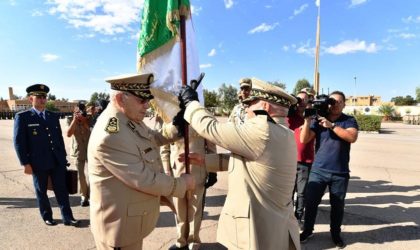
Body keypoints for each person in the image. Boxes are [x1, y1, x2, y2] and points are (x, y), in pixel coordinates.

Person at [178, 78, 300, 250]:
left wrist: (191, 103)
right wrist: (205, 160)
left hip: (257, 230)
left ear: (265, 107)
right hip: (274, 225)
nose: (246, 108)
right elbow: (249, 162)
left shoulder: (263, 129)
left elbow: (211, 129)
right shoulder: (283, 132)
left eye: (250, 103)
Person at [87, 73, 196, 250]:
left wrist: (177, 126)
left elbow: (152, 138)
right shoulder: (111, 135)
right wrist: (182, 184)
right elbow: (144, 178)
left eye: (148, 100)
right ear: (121, 99)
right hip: (119, 230)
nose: (147, 106)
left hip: (131, 221)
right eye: (142, 100)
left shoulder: (128, 119)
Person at [299, 91, 359, 248]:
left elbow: (351, 137)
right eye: (333, 101)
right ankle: (307, 231)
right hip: (319, 170)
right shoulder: (318, 120)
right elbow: (304, 139)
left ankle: (335, 234)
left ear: (344, 104)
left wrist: (332, 126)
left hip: (340, 172)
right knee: (311, 203)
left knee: (337, 207)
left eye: (339, 101)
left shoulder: (349, 120)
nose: (335, 104)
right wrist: (307, 121)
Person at [13, 84, 79, 226]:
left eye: (44, 97)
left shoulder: (52, 116)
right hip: (37, 162)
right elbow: (19, 143)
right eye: (39, 97)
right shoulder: (23, 117)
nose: (43, 100)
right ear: (31, 99)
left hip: (56, 161)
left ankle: (67, 217)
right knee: (41, 191)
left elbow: (59, 139)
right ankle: (47, 216)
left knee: (62, 190)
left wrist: (63, 157)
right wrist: (25, 163)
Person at [160, 125, 207, 250]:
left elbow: (210, 144)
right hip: (177, 171)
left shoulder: (200, 117)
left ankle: (193, 240)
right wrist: (166, 169)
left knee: (195, 207)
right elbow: (164, 148)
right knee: (178, 207)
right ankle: (181, 240)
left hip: (198, 170)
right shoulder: (170, 120)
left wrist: (212, 171)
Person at [287, 90, 315, 229]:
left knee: (302, 193)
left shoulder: (312, 118)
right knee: (288, 192)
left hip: (305, 161)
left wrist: (309, 116)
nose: (301, 102)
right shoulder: (288, 117)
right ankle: (288, 218)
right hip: (288, 161)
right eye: (299, 99)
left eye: (305, 100)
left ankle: (298, 218)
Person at [66, 101, 91, 207]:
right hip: (78, 151)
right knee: (81, 176)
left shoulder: (90, 117)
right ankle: (84, 196)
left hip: (90, 150)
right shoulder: (70, 119)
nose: (79, 111)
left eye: (81, 109)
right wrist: (75, 120)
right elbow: (69, 134)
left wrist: (85, 121)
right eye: (77, 110)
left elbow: (92, 132)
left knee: (92, 175)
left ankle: (90, 194)